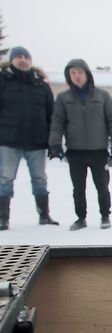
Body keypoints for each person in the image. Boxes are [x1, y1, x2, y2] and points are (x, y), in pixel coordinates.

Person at [49, 59, 112, 230]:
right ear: (69, 76)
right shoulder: (63, 98)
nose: (77, 76)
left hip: (99, 151)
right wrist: (55, 144)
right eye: (73, 73)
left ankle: (105, 216)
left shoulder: (103, 96)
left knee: (102, 186)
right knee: (78, 188)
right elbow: (57, 122)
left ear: (87, 74)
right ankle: (80, 218)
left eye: (79, 72)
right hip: (75, 152)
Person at [0, 46, 58, 230]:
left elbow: (51, 113)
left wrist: (52, 141)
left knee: (40, 179)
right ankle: (3, 219)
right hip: (9, 140)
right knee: (5, 179)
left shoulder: (41, 84)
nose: (23, 59)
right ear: (11, 60)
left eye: (26, 56)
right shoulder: (3, 80)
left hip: (37, 141)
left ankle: (44, 215)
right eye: (18, 57)